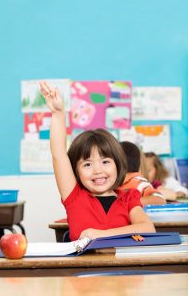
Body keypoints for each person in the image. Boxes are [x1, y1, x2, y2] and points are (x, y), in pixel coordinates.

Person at [39, 81, 155, 241]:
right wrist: (58, 114)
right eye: (87, 164)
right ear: (76, 170)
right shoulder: (74, 196)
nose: (97, 170)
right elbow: (59, 154)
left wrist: (99, 235)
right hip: (84, 266)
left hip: (124, 266)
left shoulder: (129, 198)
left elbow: (148, 228)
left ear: (117, 164)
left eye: (105, 162)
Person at [119, 141, 166, 207]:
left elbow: (160, 200)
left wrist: (128, 203)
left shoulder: (137, 182)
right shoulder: (112, 184)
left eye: (106, 162)